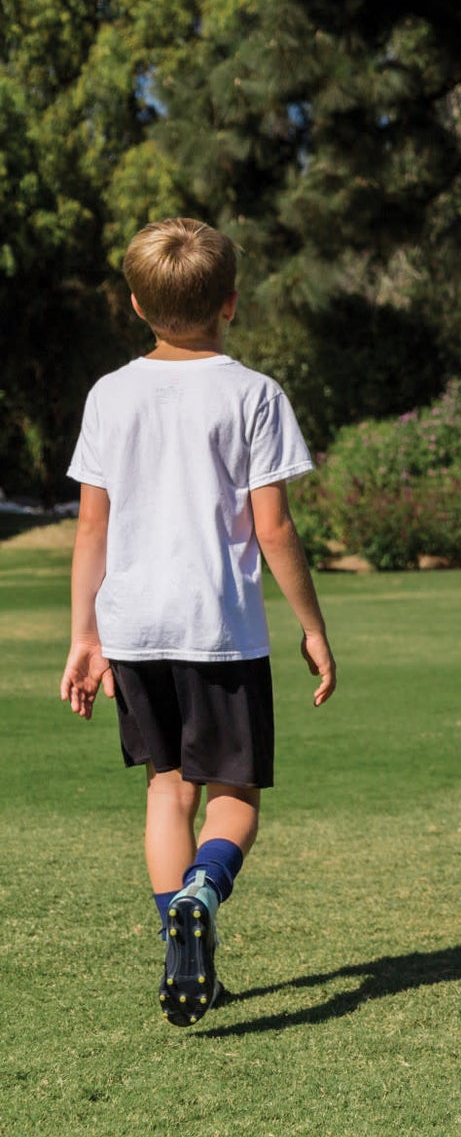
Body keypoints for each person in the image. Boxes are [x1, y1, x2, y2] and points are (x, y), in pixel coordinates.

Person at [59, 218, 337, 1026]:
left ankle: (185, 949)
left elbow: (91, 528)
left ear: (137, 303)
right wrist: (312, 625)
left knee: (165, 792)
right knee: (236, 797)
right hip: (219, 629)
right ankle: (206, 893)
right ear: (231, 303)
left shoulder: (109, 394)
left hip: (133, 627)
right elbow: (275, 528)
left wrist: (85, 635)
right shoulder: (252, 393)